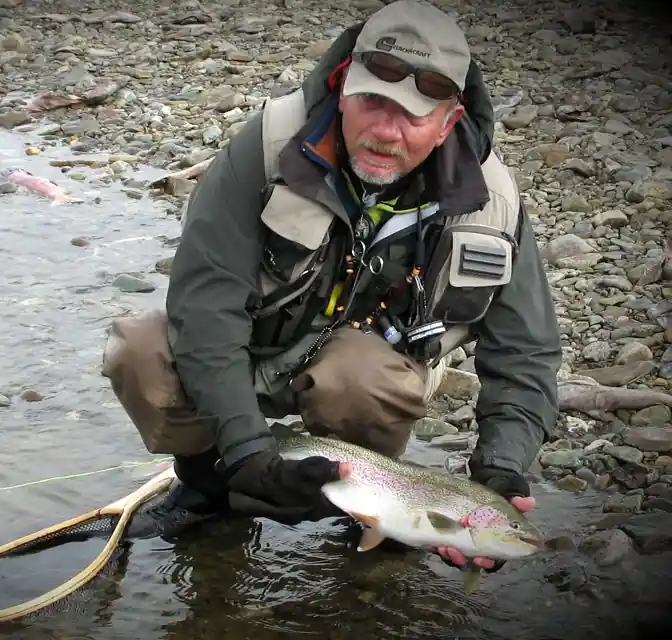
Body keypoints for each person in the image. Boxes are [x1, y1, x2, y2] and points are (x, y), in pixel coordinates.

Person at [101, 0, 561, 575]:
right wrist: (247, 453)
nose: (385, 133)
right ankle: (206, 487)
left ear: (448, 121)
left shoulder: (491, 202)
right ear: (344, 86)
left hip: (370, 370)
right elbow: (205, 305)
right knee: (142, 352)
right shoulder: (269, 146)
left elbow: (527, 353)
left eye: (413, 116)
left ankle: (370, 509)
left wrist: (500, 472)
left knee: (362, 378)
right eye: (372, 103)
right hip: (259, 344)